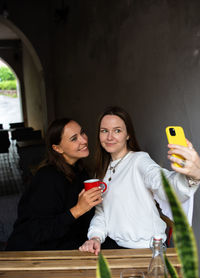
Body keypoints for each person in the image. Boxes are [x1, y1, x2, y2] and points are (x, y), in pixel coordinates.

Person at [79, 106, 199, 255]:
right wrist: (95, 237)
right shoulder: (101, 170)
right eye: (104, 131)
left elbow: (161, 182)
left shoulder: (139, 160)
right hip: (116, 247)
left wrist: (193, 176)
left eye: (117, 130)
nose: (110, 137)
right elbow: (102, 212)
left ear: (128, 134)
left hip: (147, 250)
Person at [6, 118, 102, 251]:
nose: (84, 140)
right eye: (74, 139)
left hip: (65, 244)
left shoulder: (81, 171)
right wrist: (78, 209)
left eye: (82, 133)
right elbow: (38, 232)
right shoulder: (47, 178)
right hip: (31, 253)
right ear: (58, 148)